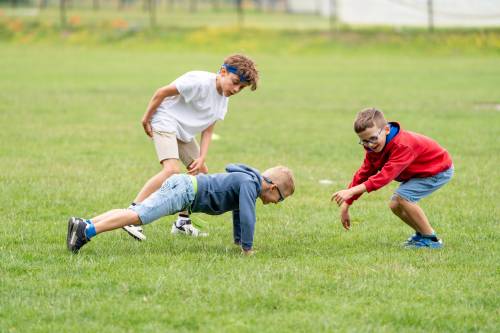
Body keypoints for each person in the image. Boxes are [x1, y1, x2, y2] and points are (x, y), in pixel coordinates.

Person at [123, 54, 259, 241]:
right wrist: (146, 118)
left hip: (183, 131)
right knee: (171, 170)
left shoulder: (223, 101)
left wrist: (202, 157)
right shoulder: (199, 82)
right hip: (165, 119)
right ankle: (131, 213)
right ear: (223, 72)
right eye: (235, 82)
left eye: (241, 87)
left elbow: (208, 130)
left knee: (200, 172)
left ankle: (182, 222)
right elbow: (161, 92)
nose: (236, 89)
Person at [67, 164, 295, 255]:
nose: (276, 203)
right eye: (280, 199)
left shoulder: (248, 183)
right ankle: (87, 231)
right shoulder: (250, 184)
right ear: (273, 188)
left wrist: (238, 241)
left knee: (139, 212)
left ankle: (84, 222)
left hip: (184, 188)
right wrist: (248, 249)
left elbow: (239, 212)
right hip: (185, 192)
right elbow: (247, 216)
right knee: (138, 216)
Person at [331, 108, 454, 248]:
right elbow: (363, 173)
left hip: (437, 169)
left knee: (403, 197)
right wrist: (347, 203)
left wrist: (351, 192)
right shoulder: (373, 148)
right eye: (364, 141)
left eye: (373, 138)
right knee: (395, 205)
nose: (370, 144)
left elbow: (384, 176)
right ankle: (421, 235)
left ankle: (431, 240)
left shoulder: (402, 145)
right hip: (418, 173)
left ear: (387, 130)